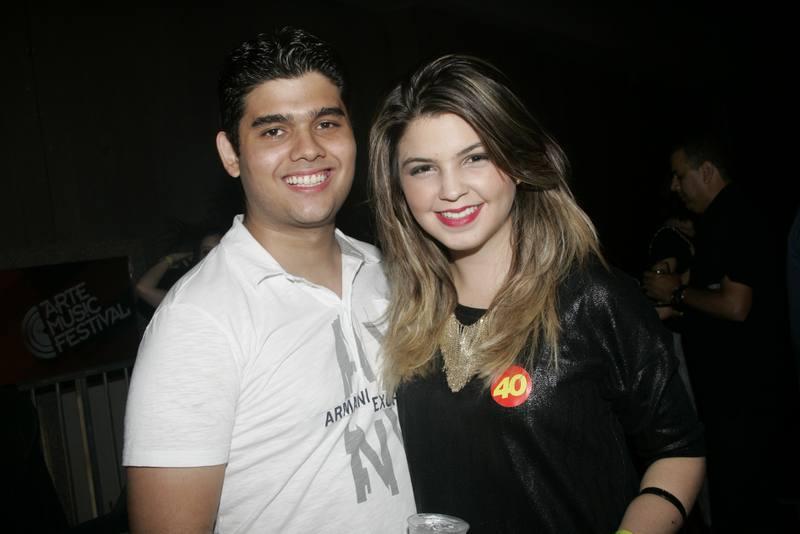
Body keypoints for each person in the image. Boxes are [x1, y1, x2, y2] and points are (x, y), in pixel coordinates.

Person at [369, 54, 705, 534]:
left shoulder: (594, 299)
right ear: (399, 188)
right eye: (423, 168)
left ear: (519, 164)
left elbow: (679, 450)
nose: (450, 189)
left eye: (475, 158)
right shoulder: (400, 308)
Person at [123, 28, 415, 533]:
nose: (308, 149)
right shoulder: (196, 324)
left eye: (326, 123)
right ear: (231, 154)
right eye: (274, 131)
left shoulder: (389, 273)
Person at [642, 136, 795, 531]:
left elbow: (735, 305)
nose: (674, 186)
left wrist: (675, 292)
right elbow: (705, 295)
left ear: (706, 171)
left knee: (740, 501)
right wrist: (670, 295)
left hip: (744, 394)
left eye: (680, 175)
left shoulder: (735, 216)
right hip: (733, 395)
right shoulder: (719, 219)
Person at [134, 229, 222, 309]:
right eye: (206, 252)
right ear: (198, 257)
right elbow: (142, 288)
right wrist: (171, 259)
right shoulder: (188, 292)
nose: (211, 256)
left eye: (217, 251)